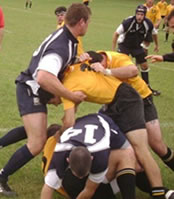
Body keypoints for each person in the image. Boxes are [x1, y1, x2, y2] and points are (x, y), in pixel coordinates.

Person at [0, 3, 91, 197]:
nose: (88, 26)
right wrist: (70, 95)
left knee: (36, 130)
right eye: (88, 22)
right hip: (30, 89)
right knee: (37, 142)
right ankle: (1, 178)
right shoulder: (62, 45)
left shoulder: (68, 38)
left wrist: (76, 60)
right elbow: (43, 76)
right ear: (81, 22)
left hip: (32, 87)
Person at [59, 53, 168, 199]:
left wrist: (57, 140)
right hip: (111, 103)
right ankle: (118, 178)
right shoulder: (75, 68)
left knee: (140, 149)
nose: (55, 103)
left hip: (126, 99)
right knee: (116, 147)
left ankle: (159, 193)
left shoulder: (68, 83)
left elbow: (69, 122)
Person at [88, 50, 174, 172]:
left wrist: (106, 71)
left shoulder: (118, 58)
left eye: (102, 67)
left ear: (104, 60)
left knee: (157, 145)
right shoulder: (91, 58)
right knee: (111, 138)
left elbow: (133, 71)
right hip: (118, 103)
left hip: (142, 99)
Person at [40, 113, 136, 199]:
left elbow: (48, 186)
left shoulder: (59, 152)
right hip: (75, 184)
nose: (81, 177)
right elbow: (89, 190)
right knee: (128, 155)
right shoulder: (100, 152)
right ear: (68, 160)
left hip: (71, 183)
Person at [112, 5, 160, 96]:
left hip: (136, 46)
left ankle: (147, 86)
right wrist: (113, 50)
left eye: (141, 14)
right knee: (121, 65)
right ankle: (116, 87)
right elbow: (116, 34)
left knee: (144, 65)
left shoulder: (148, 23)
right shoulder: (128, 22)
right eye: (138, 14)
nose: (139, 16)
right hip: (124, 45)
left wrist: (157, 45)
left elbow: (154, 33)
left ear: (144, 15)